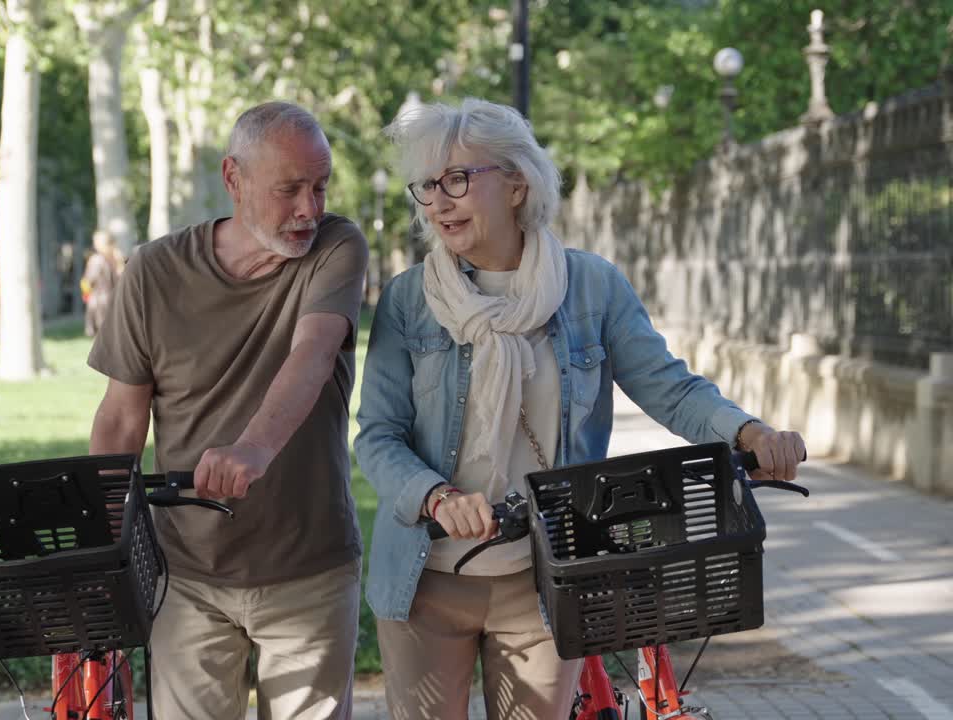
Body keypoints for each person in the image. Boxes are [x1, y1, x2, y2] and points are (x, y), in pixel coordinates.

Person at [354, 97, 807, 720]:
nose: (439, 201)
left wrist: (749, 430)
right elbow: (377, 435)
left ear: (517, 183)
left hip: (547, 579)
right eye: (428, 185)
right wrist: (437, 497)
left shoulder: (591, 286)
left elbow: (669, 387)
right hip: (424, 578)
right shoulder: (409, 301)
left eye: (458, 178)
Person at [87, 101, 369, 719]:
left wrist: (252, 449)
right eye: (289, 189)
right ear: (233, 179)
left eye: (319, 187)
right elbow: (121, 419)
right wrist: (101, 541)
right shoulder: (153, 271)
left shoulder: (335, 247)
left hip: (308, 567)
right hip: (187, 572)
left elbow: (314, 352)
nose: (309, 209)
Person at [81, 230, 123, 338]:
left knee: (101, 340)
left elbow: (87, 282)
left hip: (99, 303)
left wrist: (86, 296)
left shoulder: (96, 260)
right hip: (115, 302)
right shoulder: (118, 259)